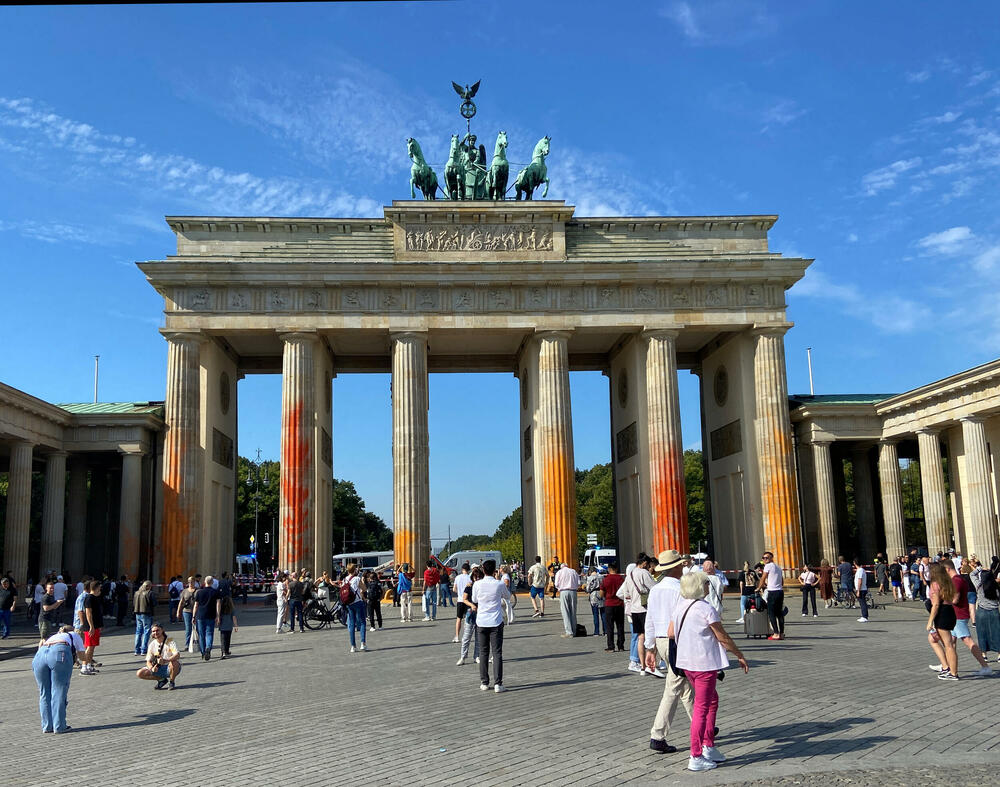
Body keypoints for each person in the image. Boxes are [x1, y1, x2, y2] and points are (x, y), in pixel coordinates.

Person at [671, 572, 749, 771]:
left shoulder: (681, 606)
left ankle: (708, 745)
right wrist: (739, 654)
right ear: (698, 586)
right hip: (703, 663)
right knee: (701, 708)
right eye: (706, 583)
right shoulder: (706, 608)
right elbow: (722, 637)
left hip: (687, 662)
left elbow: (671, 633)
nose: (708, 586)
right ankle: (696, 754)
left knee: (711, 700)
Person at [644, 550, 695, 754]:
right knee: (674, 686)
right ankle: (657, 735)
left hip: (661, 639)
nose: (683, 567)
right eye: (681, 564)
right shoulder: (681, 589)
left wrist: (650, 648)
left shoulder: (656, 590)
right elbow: (686, 618)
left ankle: (702, 722)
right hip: (677, 640)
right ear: (675, 567)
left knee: (684, 685)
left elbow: (650, 619)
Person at [942, 561, 992, 675]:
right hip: (957, 615)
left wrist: (943, 600)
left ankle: (985, 667)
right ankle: (948, 666)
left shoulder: (956, 581)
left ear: (947, 569)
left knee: (968, 641)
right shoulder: (959, 579)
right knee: (950, 643)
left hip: (958, 616)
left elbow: (955, 599)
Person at [33, 625, 84, 733]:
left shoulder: (55, 636)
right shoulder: (75, 635)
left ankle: (47, 726)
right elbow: (83, 657)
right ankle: (59, 726)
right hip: (59, 652)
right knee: (59, 690)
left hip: (40, 655)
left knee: (44, 692)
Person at [471, 559, 510, 692]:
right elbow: (507, 596)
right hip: (496, 621)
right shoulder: (499, 584)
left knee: (483, 652)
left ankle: (484, 682)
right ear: (495, 570)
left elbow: (474, 600)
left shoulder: (477, 584)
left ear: (483, 570)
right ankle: (498, 683)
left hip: (481, 621)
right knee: (497, 652)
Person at [927, 562, 960, 680]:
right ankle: (947, 667)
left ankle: (953, 673)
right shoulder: (947, 582)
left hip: (942, 613)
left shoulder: (935, 584)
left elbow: (935, 605)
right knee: (934, 638)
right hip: (949, 611)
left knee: (948, 645)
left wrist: (930, 621)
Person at [136, 622, 181, 689]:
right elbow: (148, 661)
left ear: (162, 630)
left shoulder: (169, 640)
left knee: (175, 663)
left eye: (157, 630)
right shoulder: (152, 644)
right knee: (140, 673)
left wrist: (165, 660)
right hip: (158, 668)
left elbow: (177, 654)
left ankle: (172, 682)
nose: (156, 632)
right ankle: (162, 680)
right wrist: (151, 668)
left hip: (170, 667)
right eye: (153, 631)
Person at [973, 558, 1000, 661]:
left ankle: (984, 654)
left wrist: (979, 568)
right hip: (994, 611)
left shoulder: (979, 586)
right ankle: (999, 654)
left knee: (982, 633)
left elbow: (972, 575)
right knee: (997, 632)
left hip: (982, 611)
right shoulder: (996, 588)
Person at [456, 565, 483, 665]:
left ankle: (477, 656)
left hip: (481, 613)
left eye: (479, 577)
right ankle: (463, 657)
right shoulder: (469, 586)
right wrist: (471, 605)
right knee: (466, 637)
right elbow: (464, 599)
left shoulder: (483, 587)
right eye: (475, 577)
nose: (477, 579)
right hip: (471, 613)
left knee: (478, 637)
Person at [190, 575, 221, 661]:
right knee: (209, 633)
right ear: (212, 582)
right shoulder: (216, 592)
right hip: (211, 615)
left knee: (201, 634)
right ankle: (208, 648)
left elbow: (196, 605)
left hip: (200, 615)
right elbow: (218, 604)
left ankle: (203, 652)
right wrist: (218, 616)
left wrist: (193, 616)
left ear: (205, 582)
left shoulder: (199, 592)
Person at [756, 551, 785, 640]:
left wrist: (758, 588)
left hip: (772, 592)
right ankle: (782, 633)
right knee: (779, 613)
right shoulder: (778, 567)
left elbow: (763, 578)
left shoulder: (768, 566)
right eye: (763, 558)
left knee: (771, 613)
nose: (764, 559)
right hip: (780, 591)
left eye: (767, 558)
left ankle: (776, 633)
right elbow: (782, 581)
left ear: (771, 558)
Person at [341, 563, 368, 652]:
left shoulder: (344, 579)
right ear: (355, 570)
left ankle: (353, 646)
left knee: (351, 624)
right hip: (357, 602)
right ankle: (363, 643)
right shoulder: (357, 578)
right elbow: (364, 589)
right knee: (362, 622)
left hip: (349, 603)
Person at [601, 563, 626, 652]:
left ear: (609, 569)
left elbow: (601, 593)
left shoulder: (606, 579)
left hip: (609, 604)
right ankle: (621, 645)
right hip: (619, 604)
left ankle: (611, 646)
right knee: (620, 626)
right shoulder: (621, 579)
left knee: (609, 627)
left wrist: (606, 596)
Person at [81, 580, 104, 675]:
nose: (100, 589)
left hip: (95, 626)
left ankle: (89, 665)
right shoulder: (89, 598)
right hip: (90, 627)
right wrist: (91, 626)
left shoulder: (94, 598)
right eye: (99, 587)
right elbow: (88, 613)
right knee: (89, 647)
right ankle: (84, 667)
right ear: (96, 587)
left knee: (92, 647)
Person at [554, 561, 580, 637]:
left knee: (565, 612)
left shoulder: (559, 572)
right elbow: (579, 583)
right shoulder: (573, 571)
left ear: (561, 566)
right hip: (573, 592)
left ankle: (569, 632)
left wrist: (559, 588)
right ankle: (574, 631)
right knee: (573, 611)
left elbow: (556, 584)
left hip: (564, 592)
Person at [132, 580, 156, 656]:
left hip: (137, 613)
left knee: (138, 631)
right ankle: (144, 649)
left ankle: (137, 650)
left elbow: (133, 603)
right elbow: (154, 603)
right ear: (148, 586)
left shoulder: (136, 593)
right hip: (147, 613)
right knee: (146, 631)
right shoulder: (150, 593)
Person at [453, 562, 472, 643]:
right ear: (468, 570)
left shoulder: (457, 577)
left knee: (459, 619)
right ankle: (466, 635)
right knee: (467, 619)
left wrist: (459, 593)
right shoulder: (470, 578)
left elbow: (454, 589)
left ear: (462, 569)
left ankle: (457, 636)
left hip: (460, 600)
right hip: (468, 600)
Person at [177, 577, 197, 646]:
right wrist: (178, 611)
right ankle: (187, 644)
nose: (190, 583)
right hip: (186, 611)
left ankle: (196, 642)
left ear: (194, 582)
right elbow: (181, 602)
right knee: (188, 628)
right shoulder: (184, 591)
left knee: (196, 628)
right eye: (189, 582)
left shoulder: (198, 590)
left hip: (196, 611)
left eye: (192, 582)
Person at [585, 567, 605, 637]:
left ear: (590, 571)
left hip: (593, 595)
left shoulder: (590, 578)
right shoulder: (602, 577)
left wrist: (586, 590)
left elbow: (588, 588)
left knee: (595, 614)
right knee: (603, 614)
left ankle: (596, 631)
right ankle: (605, 631)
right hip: (601, 594)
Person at [853, 558, 869, 623]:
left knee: (862, 603)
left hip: (861, 589)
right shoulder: (861, 570)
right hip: (863, 588)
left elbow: (860, 580)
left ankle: (864, 616)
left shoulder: (860, 571)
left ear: (855, 563)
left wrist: (858, 590)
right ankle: (864, 616)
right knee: (862, 602)